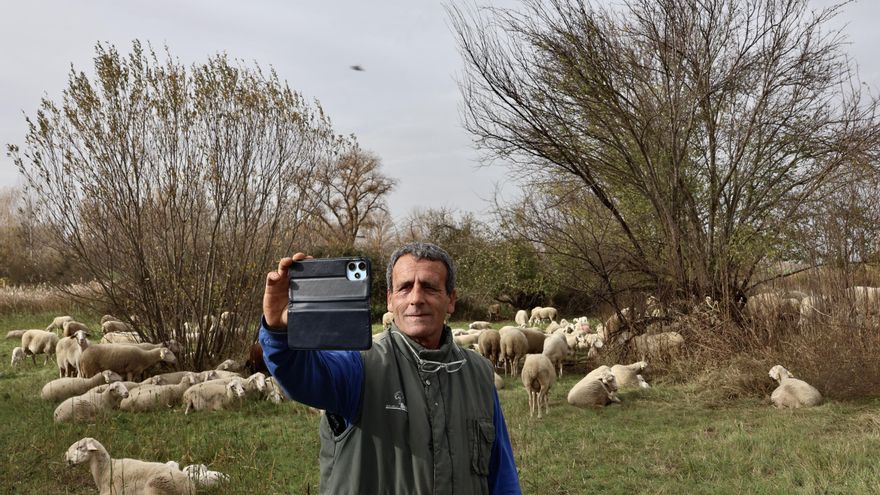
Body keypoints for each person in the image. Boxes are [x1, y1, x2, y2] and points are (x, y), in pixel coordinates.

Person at [260, 242, 521, 494]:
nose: (416, 298)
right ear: (389, 300)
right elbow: (302, 377)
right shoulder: (360, 365)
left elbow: (502, 475)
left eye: (429, 287)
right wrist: (278, 332)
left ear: (451, 300)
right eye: (405, 287)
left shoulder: (478, 373)